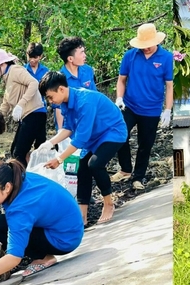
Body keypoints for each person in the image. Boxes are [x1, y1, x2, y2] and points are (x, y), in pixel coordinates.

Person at [0, 159, 84, 285]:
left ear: (7, 187)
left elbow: (14, 258)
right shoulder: (19, 177)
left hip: (64, 240)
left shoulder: (21, 209)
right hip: (70, 227)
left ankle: (44, 258)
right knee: (1, 223)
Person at [41, 72, 128, 225]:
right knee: (82, 170)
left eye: (50, 97)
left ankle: (108, 203)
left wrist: (60, 159)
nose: (50, 101)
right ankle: (82, 215)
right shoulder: (65, 103)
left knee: (95, 164)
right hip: (94, 137)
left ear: (61, 89)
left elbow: (80, 139)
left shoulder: (85, 102)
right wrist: (49, 143)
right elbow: (68, 128)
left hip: (112, 131)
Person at [114, 23, 174, 191]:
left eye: (148, 45)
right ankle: (125, 169)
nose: (146, 49)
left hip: (152, 109)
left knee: (145, 145)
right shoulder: (130, 56)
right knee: (119, 134)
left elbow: (169, 86)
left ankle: (138, 177)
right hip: (130, 106)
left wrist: (167, 110)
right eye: (143, 46)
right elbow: (121, 80)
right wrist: (119, 98)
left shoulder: (166, 57)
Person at [0, 48, 47, 164]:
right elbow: (6, 104)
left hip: (35, 114)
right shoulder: (7, 77)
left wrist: (20, 105)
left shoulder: (15, 70)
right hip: (28, 117)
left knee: (18, 154)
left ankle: (20, 180)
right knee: (21, 151)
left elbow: (34, 83)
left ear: (2, 64)